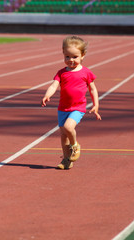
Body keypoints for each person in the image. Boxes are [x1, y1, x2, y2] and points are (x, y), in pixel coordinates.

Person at [41, 36, 101, 170]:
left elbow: (93, 89)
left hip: (78, 108)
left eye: (74, 57)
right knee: (63, 136)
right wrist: (47, 95)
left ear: (82, 56)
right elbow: (53, 86)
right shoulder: (61, 73)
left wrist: (96, 105)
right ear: (63, 54)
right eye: (67, 56)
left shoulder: (86, 72)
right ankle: (67, 160)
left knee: (68, 128)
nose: (71, 60)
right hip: (63, 108)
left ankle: (75, 146)